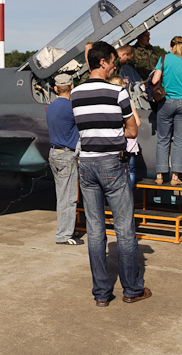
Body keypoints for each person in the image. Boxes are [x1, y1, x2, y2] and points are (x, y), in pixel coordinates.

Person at [71, 41, 151, 307]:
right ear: (102, 62)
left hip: (87, 165)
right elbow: (131, 130)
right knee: (125, 229)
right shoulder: (118, 92)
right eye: (112, 60)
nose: (115, 64)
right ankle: (131, 289)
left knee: (95, 231)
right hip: (112, 165)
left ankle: (102, 294)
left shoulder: (75, 93)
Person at [151, 36, 182, 186]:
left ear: (170, 48)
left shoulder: (164, 58)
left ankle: (160, 175)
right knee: (179, 141)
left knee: (163, 139)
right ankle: (175, 177)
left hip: (166, 102)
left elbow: (154, 81)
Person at [46, 73, 83, 246]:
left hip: (54, 153)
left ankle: (67, 228)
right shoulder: (72, 108)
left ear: (55, 89)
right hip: (66, 155)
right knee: (68, 198)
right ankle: (64, 235)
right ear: (72, 87)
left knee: (62, 195)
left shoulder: (51, 107)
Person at [109, 76, 141, 189]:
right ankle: (129, 195)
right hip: (130, 143)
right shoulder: (129, 101)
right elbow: (137, 122)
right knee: (131, 170)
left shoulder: (109, 102)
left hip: (114, 143)